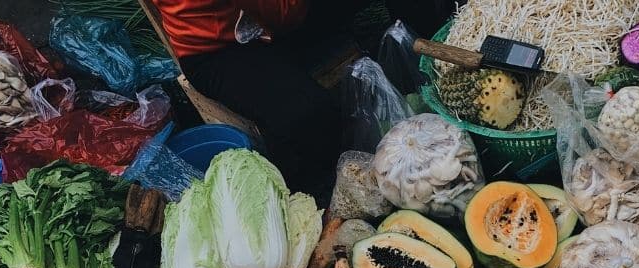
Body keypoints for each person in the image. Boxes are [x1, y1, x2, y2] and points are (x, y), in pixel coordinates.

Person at [152, 0, 452, 196]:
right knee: (307, 116)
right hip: (220, 48)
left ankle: (444, 60)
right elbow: (285, 13)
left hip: (271, 20)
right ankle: (320, 198)